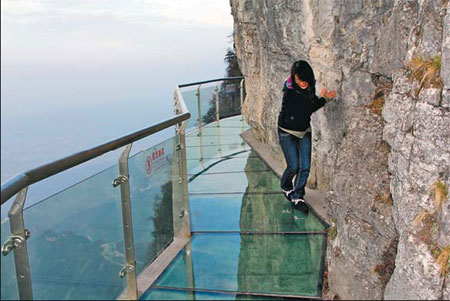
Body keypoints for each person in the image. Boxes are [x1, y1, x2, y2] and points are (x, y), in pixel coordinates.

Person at [277, 60, 337, 212]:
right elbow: (308, 107)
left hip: (304, 130)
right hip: (287, 131)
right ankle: (285, 185)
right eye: (298, 80)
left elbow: (310, 104)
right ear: (294, 79)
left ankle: (297, 196)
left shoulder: (309, 85)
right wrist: (323, 99)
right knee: (294, 166)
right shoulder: (289, 91)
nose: (302, 83)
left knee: (305, 167)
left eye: (304, 80)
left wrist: (320, 99)